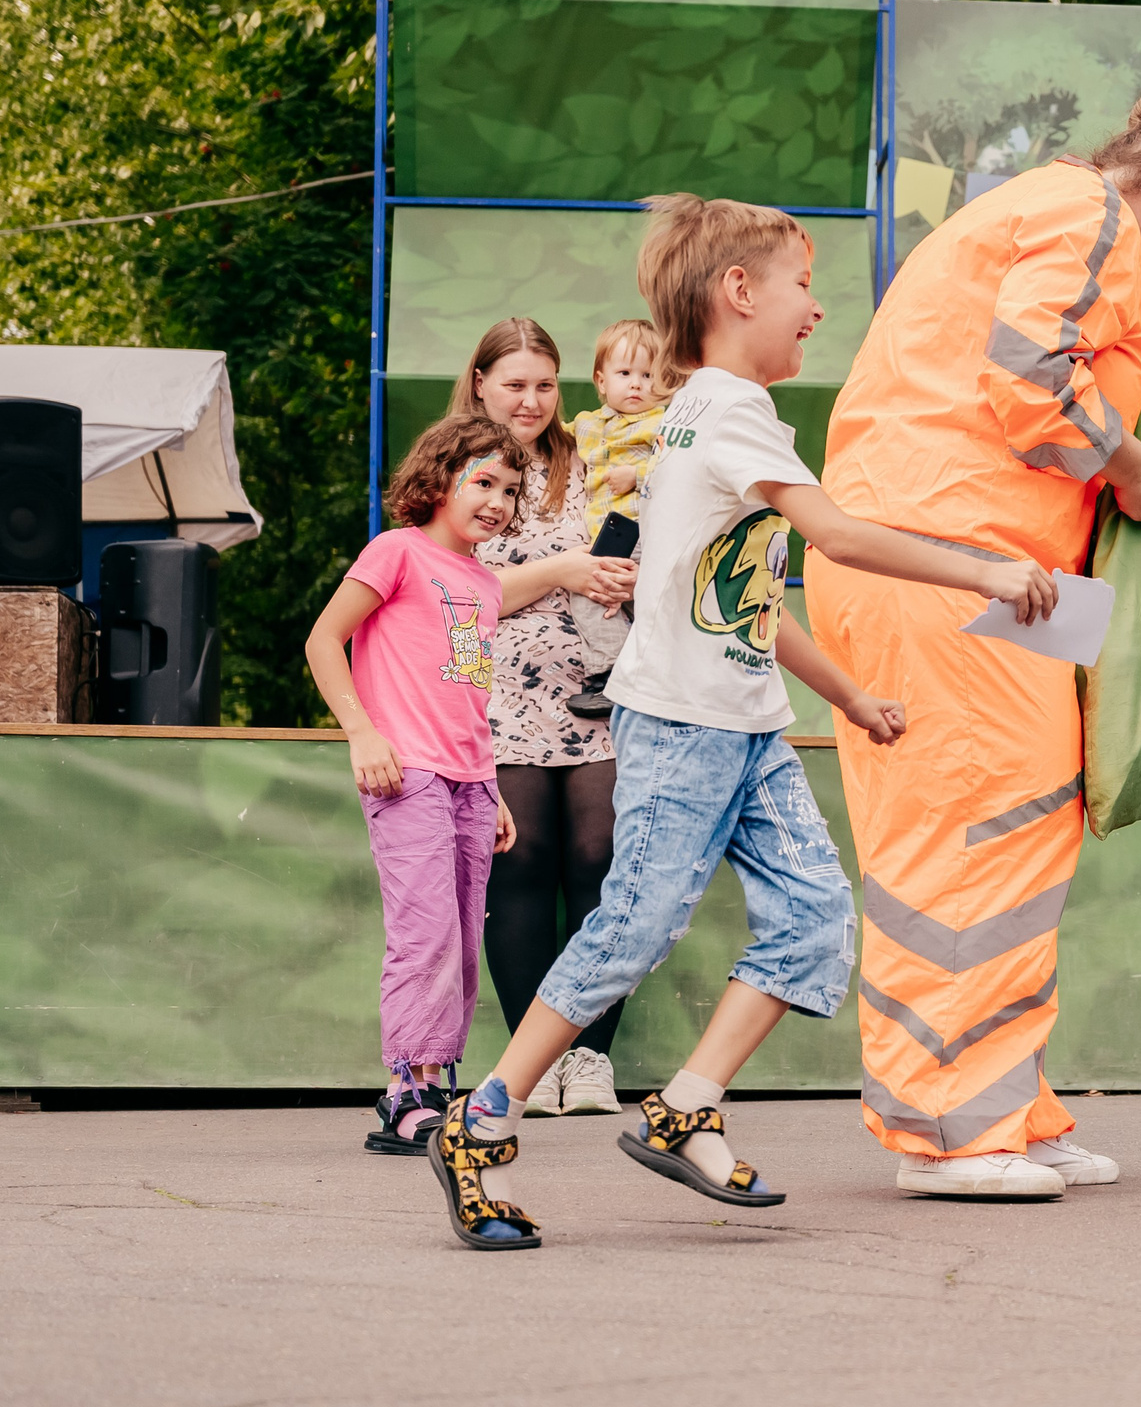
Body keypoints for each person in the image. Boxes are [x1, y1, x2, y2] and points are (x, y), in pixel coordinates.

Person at [429, 193, 1061, 1249]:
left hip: (748, 723)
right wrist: (987, 569)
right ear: (737, 291)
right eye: (801, 285)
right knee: (632, 924)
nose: (815, 307)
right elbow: (836, 537)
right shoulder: (725, 411)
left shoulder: (705, 412)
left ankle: (684, 1107)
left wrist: (847, 694)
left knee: (813, 921)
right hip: (684, 724)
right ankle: (481, 1120)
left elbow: (744, 593)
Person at [808, 93, 1141, 1199]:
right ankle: (953, 1129)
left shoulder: (1039, 208)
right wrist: (1135, 469)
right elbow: (1030, 372)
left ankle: (1004, 1105)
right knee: (977, 835)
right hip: (952, 566)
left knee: (1016, 832)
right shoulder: (1087, 216)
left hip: (972, 571)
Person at [304, 413, 628, 1156]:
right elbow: (324, 639)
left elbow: (467, 696)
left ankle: (435, 1082)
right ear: (438, 479)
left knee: (457, 942)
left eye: (511, 490)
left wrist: (491, 786)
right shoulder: (396, 551)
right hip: (407, 772)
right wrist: (362, 732)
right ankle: (407, 1091)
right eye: (483, 482)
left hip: (472, 781)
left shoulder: (482, 582)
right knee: (422, 935)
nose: (497, 502)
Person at [459, 318, 640, 1119]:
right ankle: (531, 1064)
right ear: (480, 385)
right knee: (520, 860)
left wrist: (624, 576)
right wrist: (564, 568)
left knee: (603, 859)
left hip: (601, 692)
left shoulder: (594, 456)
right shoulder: (457, 469)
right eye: (514, 384)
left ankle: (591, 1056)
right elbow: (455, 594)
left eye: (544, 384)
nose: (531, 400)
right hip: (499, 698)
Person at [564, 318, 669, 720]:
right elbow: (554, 436)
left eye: (648, 375)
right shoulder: (588, 424)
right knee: (594, 595)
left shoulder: (663, 423)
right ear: (601, 380)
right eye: (625, 373)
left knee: (644, 600)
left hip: (648, 532)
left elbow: (685, 467)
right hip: (609, 536)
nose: (637, 384)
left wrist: (638, 476)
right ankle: (613, 673)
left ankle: (639, 675)